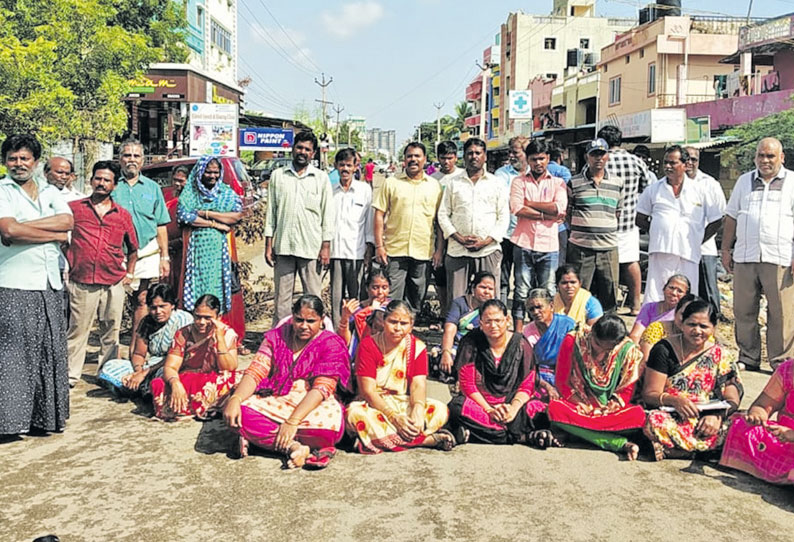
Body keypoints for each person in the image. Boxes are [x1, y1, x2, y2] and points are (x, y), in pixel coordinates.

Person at [224, 295, 351, 469]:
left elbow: (322, 388)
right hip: (277, 397)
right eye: (299, 320)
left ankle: (260, 441)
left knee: (330, 431)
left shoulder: (331, 344)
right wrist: (235, 399)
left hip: (312, 402)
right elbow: (256, 371)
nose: (304, 326)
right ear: (292, 317)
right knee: (240, 415)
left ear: (322, 320)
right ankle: (294, 446)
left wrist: (292, 421)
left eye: (310, 321)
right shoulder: (276, 338)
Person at [0, 134, 73, 435]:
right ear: (5, 162)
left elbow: (67, 223)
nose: (18, 164)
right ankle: (10, 422)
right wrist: (52, 234)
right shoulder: (2, 191)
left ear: (36, 162)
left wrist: (23, 228)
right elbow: (7, 230)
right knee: (14, 354)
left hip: (49, 283)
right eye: (12, 159)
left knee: (49, 350)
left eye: (24, 158)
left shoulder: (50, 191)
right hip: (14, 284)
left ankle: (43, 420)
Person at [722, 137, 794, 372]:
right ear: (755, 158)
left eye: (770, 156)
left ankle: (780, 362)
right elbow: (732, 216)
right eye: (761, 156)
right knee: (743, 310)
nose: (765, 160)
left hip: (780, 257)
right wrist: (725, 249)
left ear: (781, 157)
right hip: (745, 256)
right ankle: (749, 357)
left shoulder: (792, 182)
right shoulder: (744, 182)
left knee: (781, 313)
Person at [65, 161, 139, 388]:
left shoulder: (122, 215)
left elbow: (133, 247)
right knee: (78, 330)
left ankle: (107, 373)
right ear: (90, 180)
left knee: (111, 331)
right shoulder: (74, 208)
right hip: (82, 280)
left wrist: (129, 273)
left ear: (114, 185)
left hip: (113, 281)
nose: (101, 183)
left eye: (107, 180)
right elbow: (60, 238)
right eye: (98, 178)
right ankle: (69, 376)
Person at [347, 300, 454, 453]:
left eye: (403, 323)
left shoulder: (417, 347)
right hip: (374, 404)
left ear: (411, 325)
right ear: (384, 321)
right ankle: (426, 440)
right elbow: (367, 391)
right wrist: (394, 417)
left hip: (403, 400)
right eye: (393, 322)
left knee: (440, 410)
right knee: (355, 415)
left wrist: (417, 409)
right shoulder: (368, 345)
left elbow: (418, 384)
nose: (397, 328)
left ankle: (377, 439)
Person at [642, 299, 743, 460]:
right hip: (675, 415)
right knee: (653, 422)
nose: (697, 331)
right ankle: (706, 452)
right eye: (691, 325)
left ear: (713, 328)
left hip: (709, 416)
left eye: (704, 326)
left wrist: (717, 416)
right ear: (681, 324)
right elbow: (650, 394)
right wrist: (675, 401)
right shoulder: (663, 349)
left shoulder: (721, 354)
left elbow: (732, 396)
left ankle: (680, 451)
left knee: (743, 424)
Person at [447, 299, 548, 446]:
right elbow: (467, 385)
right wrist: (489, 410)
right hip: (481, 405)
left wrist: (513, 409)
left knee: (542, 410)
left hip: (511, 405)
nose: (493, 326)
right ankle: (520, 437)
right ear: (480, 324)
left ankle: (478, 434)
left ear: (507, 320)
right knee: (456, 408)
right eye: (488, 322)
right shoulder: (470, 342)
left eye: (498, 321)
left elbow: (527, 385)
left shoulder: (521, 344)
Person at [548, 315, 646, 460]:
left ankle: (577, 432)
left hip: (610, 411)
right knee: (554, 409)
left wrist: (613, 405)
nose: (600, 353)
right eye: (597, 345)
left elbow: (626, 390)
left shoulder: (628, 350)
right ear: (591, 333)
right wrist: (581, 404)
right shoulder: (574, 340)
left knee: (638, 415)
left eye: (608, 350)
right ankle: (618, 443)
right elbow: (562, 382)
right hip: (579, 404)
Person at [636, 145, 723, 303]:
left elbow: (717, 220)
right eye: (665, 163)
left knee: (686, 298)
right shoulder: (653, 190)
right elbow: (640, 218)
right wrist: (659, 231)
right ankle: (653, 327)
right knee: (656, 296)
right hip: (660, 251)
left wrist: (698, 239)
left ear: (685, 164)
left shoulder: (700, 190)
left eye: (673, 163)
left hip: (688, 253)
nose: (668, 167)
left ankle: (681, 327)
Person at [265, 131, 334, 324]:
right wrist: (269, 245)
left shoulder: (320, 178)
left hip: (311, 247)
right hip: (284, 246)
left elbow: (327, 215)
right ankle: (280, 341)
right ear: (293, 148)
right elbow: (271, 212)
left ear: (313, 154)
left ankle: (315, 342)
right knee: (282, 300)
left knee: (313, 297)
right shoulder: (278, 176)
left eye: (307, 149)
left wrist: (325, 247)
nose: (302, 152)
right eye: (300, 147)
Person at [113, 138, 171, 352]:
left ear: (143, 160)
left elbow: (161, 224)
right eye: (127, 155)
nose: (131, 160)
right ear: (120, 159)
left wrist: (165, 257)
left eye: (136, 156)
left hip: (146, 251)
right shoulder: (112, 185)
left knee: (142, 299)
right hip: (117, 252)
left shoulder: (153, 188)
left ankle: (136, 347)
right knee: (114, 302)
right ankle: (110, 348)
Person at [438, 137, 508, 307]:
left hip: (488, 250)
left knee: (488, 298)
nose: (474, 156)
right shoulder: (453, 183)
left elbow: (504, 216)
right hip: (457, 250)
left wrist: (486, 241)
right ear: (464, 156)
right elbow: (443, 214)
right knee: (456, 299)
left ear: (485, 157)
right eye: (470, 153)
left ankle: (488, 332)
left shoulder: (496, 183)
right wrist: (459, 238)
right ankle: (457, 333)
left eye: (478, 153)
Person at [373, 142, 442, 311]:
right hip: (395, 250)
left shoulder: (434, 186)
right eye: (409, 156)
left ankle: (408, 333)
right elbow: (379, 215)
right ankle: (389, 334)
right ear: (404, 160)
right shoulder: (391, 183)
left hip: (423, 251)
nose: (413, 159)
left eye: (417, 156)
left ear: (425, 159)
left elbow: (440, 221)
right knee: (391, 299)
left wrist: (439, 250)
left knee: (416, 298)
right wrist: (379, 246)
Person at [151, 294, 240, 420]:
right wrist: (175, 384)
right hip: (187, 380)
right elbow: (170, 367)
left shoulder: (227, 334)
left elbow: (229, 368)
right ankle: (204, 407)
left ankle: (190, 407)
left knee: (235, 381)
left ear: (218, 317)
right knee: (158, 385)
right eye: (198, 317)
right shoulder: (183, 333)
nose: (201, 322)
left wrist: (219, 339)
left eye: (207, 318)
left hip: (213, 380)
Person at [509, 139, 567, 331]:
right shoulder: (519, 181)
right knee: (521, 290)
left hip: (549, 246)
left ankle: (546, 331)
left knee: (548, 291)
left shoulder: (558, 183)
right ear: (528, 160)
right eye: (534, 159)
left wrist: (530, 203)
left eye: (541, 159)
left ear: (548, 158)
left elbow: (559, 208)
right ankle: (518, 333)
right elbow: (517, 208)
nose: (538, 163)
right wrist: (546, 214)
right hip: (523, 242)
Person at [177, 156, 243, 317]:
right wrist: (216, 224)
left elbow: (235, 216)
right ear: (200, 173)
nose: (212, 176)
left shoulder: (226, 193)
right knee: (196, 287)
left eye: (216, 172)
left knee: (218, 285)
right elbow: (185, 216)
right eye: (208, 172)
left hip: (220, 252)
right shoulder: (190, 193)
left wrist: (205, 213)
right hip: (196, 251)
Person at [98, 283, 193, 394]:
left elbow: (176, 357)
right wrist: (138, 372)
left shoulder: (183, 320)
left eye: (162, 306)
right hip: (150, 366)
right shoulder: (146, 322)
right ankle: (139, 386)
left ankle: (141, 388)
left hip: (172, 364)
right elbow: (139, 354)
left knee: (165, 375)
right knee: (110, 366)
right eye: (153, 308)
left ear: (172, 305)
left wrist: (144, 374)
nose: (158, 312)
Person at [598, 126, 652, 315]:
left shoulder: (599, 160)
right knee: (630, 262)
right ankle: (636, 304)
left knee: (604, 265)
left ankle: (607, 305)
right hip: (629, 221)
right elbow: (649, 189)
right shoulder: (636, 161)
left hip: (602, 221)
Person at [567, 139, 622, 312]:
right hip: (581, 248)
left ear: (607, 156)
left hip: (608, 248)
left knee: (610, 293)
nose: (598, 158)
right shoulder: (574, 183)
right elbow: (567, 212)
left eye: (602, 154)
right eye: (594, 154)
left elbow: (617, 212)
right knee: (579, 296)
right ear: (587, 157)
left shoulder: (617, 183)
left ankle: (608, 333)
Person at [720, 359, 794, 485]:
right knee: (740, 425)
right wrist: (757, 415)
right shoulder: (789, 370)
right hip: (781, 440)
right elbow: (762, 405)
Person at [329, 148, 374, 328]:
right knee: (336, 297)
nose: (345, 169)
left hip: (357, 251)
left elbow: (369, 222)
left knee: (358, 296)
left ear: (356, 167)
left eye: (349, 165)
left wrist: (369, 250)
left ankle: (358, 332)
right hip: (335, 251)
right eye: (342, 165)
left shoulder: (364, 190)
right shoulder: (329, 190)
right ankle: (336, 333)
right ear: (336, 166)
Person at [684, 146, 726, 321]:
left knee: (708, 290)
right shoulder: (671, 184)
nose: (690, 162)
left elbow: (720, 217)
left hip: (704, 248)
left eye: (694, 159)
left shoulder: (710, 183)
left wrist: (699, 240)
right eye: (686, 158)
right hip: (681, 249)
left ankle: (713, 323)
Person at [438, 271, 496, 375]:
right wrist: (446, 352)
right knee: (444, 360)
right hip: (458, 345)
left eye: (490, 289)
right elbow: (450, 329)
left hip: (483, 347)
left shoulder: (495, 308)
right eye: (482, 287)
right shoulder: (460, 303)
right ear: (473, 288)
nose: (486, 292)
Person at [494, 136, 529, 305]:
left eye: (515, 152)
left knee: (524, 279)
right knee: (502, 277)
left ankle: (521, 316)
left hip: (527, 235)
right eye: (510, 152)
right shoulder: (501, 174)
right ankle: (501, 310)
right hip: (505, 234)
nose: (511, 156)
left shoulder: (534, 173)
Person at [523, 289, 576, 396]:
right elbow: (527, 368)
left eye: (539, 307)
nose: (535, 312)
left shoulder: (568, 325)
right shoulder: (527, 331)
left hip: (567, 376)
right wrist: (547, 386)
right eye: (531, 309)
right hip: (539, 379)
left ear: (551, 306)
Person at [430, 140, 461, 311]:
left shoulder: (463, 175)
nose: (446, 162)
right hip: (437, 232)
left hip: (458, 231)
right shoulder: (432, 179)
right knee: (440, 274)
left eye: (450, 158)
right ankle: (444, 311)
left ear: (456, 158)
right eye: (443, 158)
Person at [337, 266, 391, 358]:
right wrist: (345, 318)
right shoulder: (355, 308)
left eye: (384, 288)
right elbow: (346, 341)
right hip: (360, 354)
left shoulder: (391, 308)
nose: (380, 292)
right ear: (367, 288)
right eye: (375, 287)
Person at [628, 274, 691, 343]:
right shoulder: (649, 308)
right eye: (671, 288)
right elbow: (635, 335)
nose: (674, 293)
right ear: (664, 289)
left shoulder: (683, 314)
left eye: (679, 291)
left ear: (685, 296)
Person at [639, 293, 696, 363]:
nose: (686, 320)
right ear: (675, 312)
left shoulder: (702, 335)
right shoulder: (657, 329)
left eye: (692, 316)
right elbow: (646, 361)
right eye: (683, 314)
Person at [547, 140, 572, 266]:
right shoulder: (563, 171)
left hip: (541, 224)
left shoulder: (540, 170)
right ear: (561, 155)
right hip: (560, 225)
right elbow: (569, 193)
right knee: (560, 261)